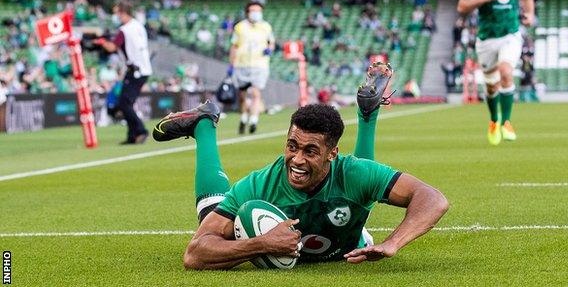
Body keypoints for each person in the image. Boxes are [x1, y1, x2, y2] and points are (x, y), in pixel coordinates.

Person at [152, 62, 448, 270]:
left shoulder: (350, 171)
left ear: (332, 154)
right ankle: (205, 124)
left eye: (310, 151)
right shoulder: (258, 186)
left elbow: (433, 199)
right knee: (210, 212)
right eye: (292, 146)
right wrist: (262, 244)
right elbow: (194, 254)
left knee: (359, 181)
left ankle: (367, 117)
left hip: (350, 237)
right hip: (308, 220)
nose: (296, 159)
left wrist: (394, 243)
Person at [456, 0, 534, 146]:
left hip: (510, 34)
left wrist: (530, 14)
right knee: (491, 87)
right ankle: (494, 120)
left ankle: (507, 122)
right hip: (486, 39)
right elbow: (462, 6)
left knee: (506, 71)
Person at [96, 0, 152, 144]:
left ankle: (140, 131)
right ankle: (132, 136)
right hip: (143, 69)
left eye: (116, 12)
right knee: (126, 103)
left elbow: (112, 48)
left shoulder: (125, 30)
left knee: (124, 104)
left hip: (135, 71)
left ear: (122, 12)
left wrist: (101, 41)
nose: (115, 16)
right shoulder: (139, 26)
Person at [228, 2, 275, 135]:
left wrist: (269, 50)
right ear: (247, 12)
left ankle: (254, 120)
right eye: (253, 10)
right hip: (241, 65)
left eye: (258, 10)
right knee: (242, 96)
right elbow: (234, 46)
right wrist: (231, 65)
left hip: (259, 65)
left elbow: (271, 42)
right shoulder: (239, 27)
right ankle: (243, 118)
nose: (256, 13)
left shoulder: (266, 27)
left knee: (256, 93)